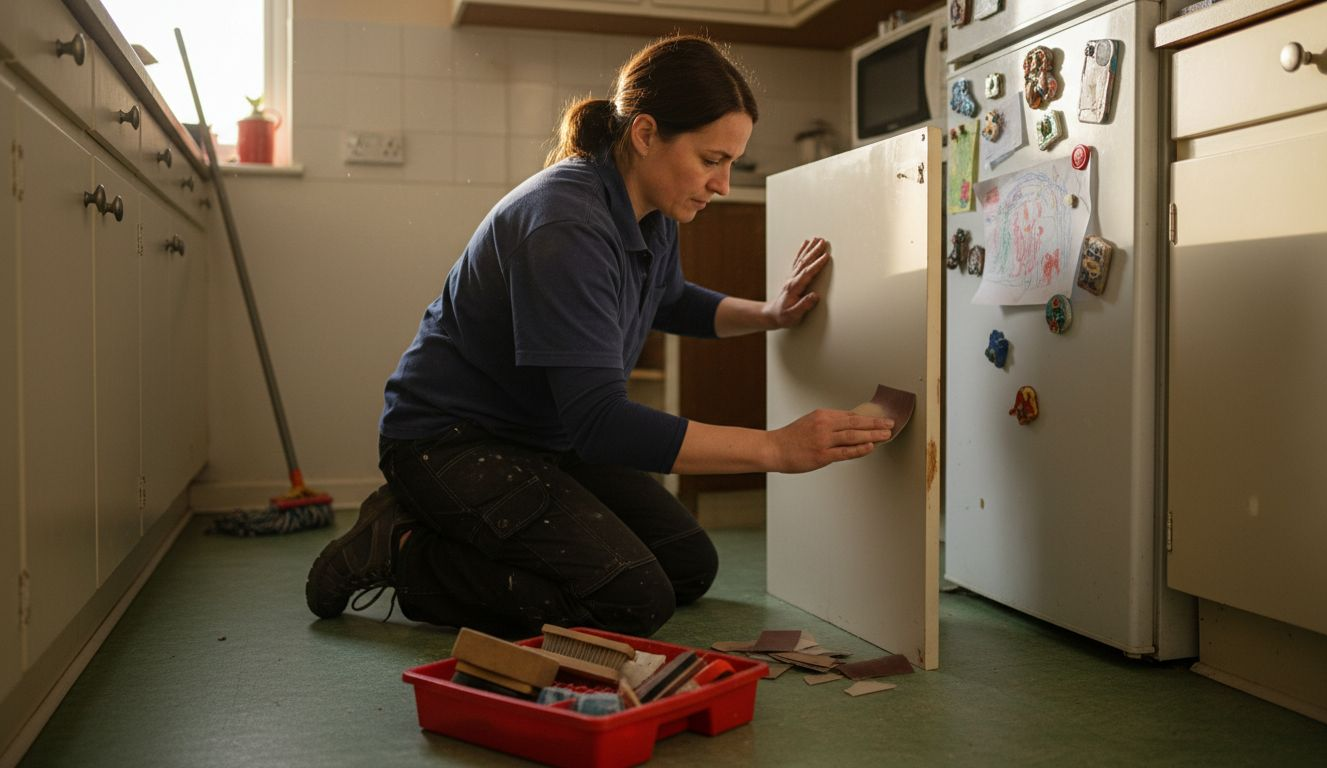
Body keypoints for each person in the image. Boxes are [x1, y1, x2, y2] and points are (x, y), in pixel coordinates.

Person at [305, 34, 894, 638]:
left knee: (688, 566)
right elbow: (601, 423)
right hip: (450, 443)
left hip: (542, 437)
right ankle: (399, 548)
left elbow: (670, 299)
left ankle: (462, 532)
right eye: (711, 159)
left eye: (731, 163)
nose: (722, 183)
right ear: (645, 134)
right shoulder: (565, 224)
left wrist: (769, 313)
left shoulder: (653, 207)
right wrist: (775, 449)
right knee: (632, 600)